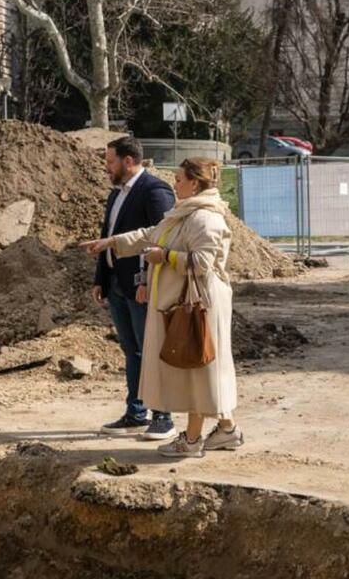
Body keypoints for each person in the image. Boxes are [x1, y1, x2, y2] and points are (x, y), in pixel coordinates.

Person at [82, 157, 243, 458]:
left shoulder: (205, 218)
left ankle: (191, 441)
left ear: (194, 183)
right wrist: (111, 242)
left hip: (199, 307)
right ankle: (227, 430)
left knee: (198, 371)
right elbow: (149, 235)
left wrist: (165, 257)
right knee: (203, 370)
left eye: (179, 179)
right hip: (187, 304)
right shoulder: (184, 214)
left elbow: (203, 263)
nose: (175, 184)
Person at [90, 136, 177, 440]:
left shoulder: (155, 191)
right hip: (117, 284)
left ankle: (163, 416)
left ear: (128, 161)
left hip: (140, 286)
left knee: (152, 349)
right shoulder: (117, 194)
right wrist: (101, 278)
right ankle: (136, 413)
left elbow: (160, 238)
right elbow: (109, 235)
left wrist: (146, 279)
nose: (106, 167)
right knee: (133, 351)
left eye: (110, 161)